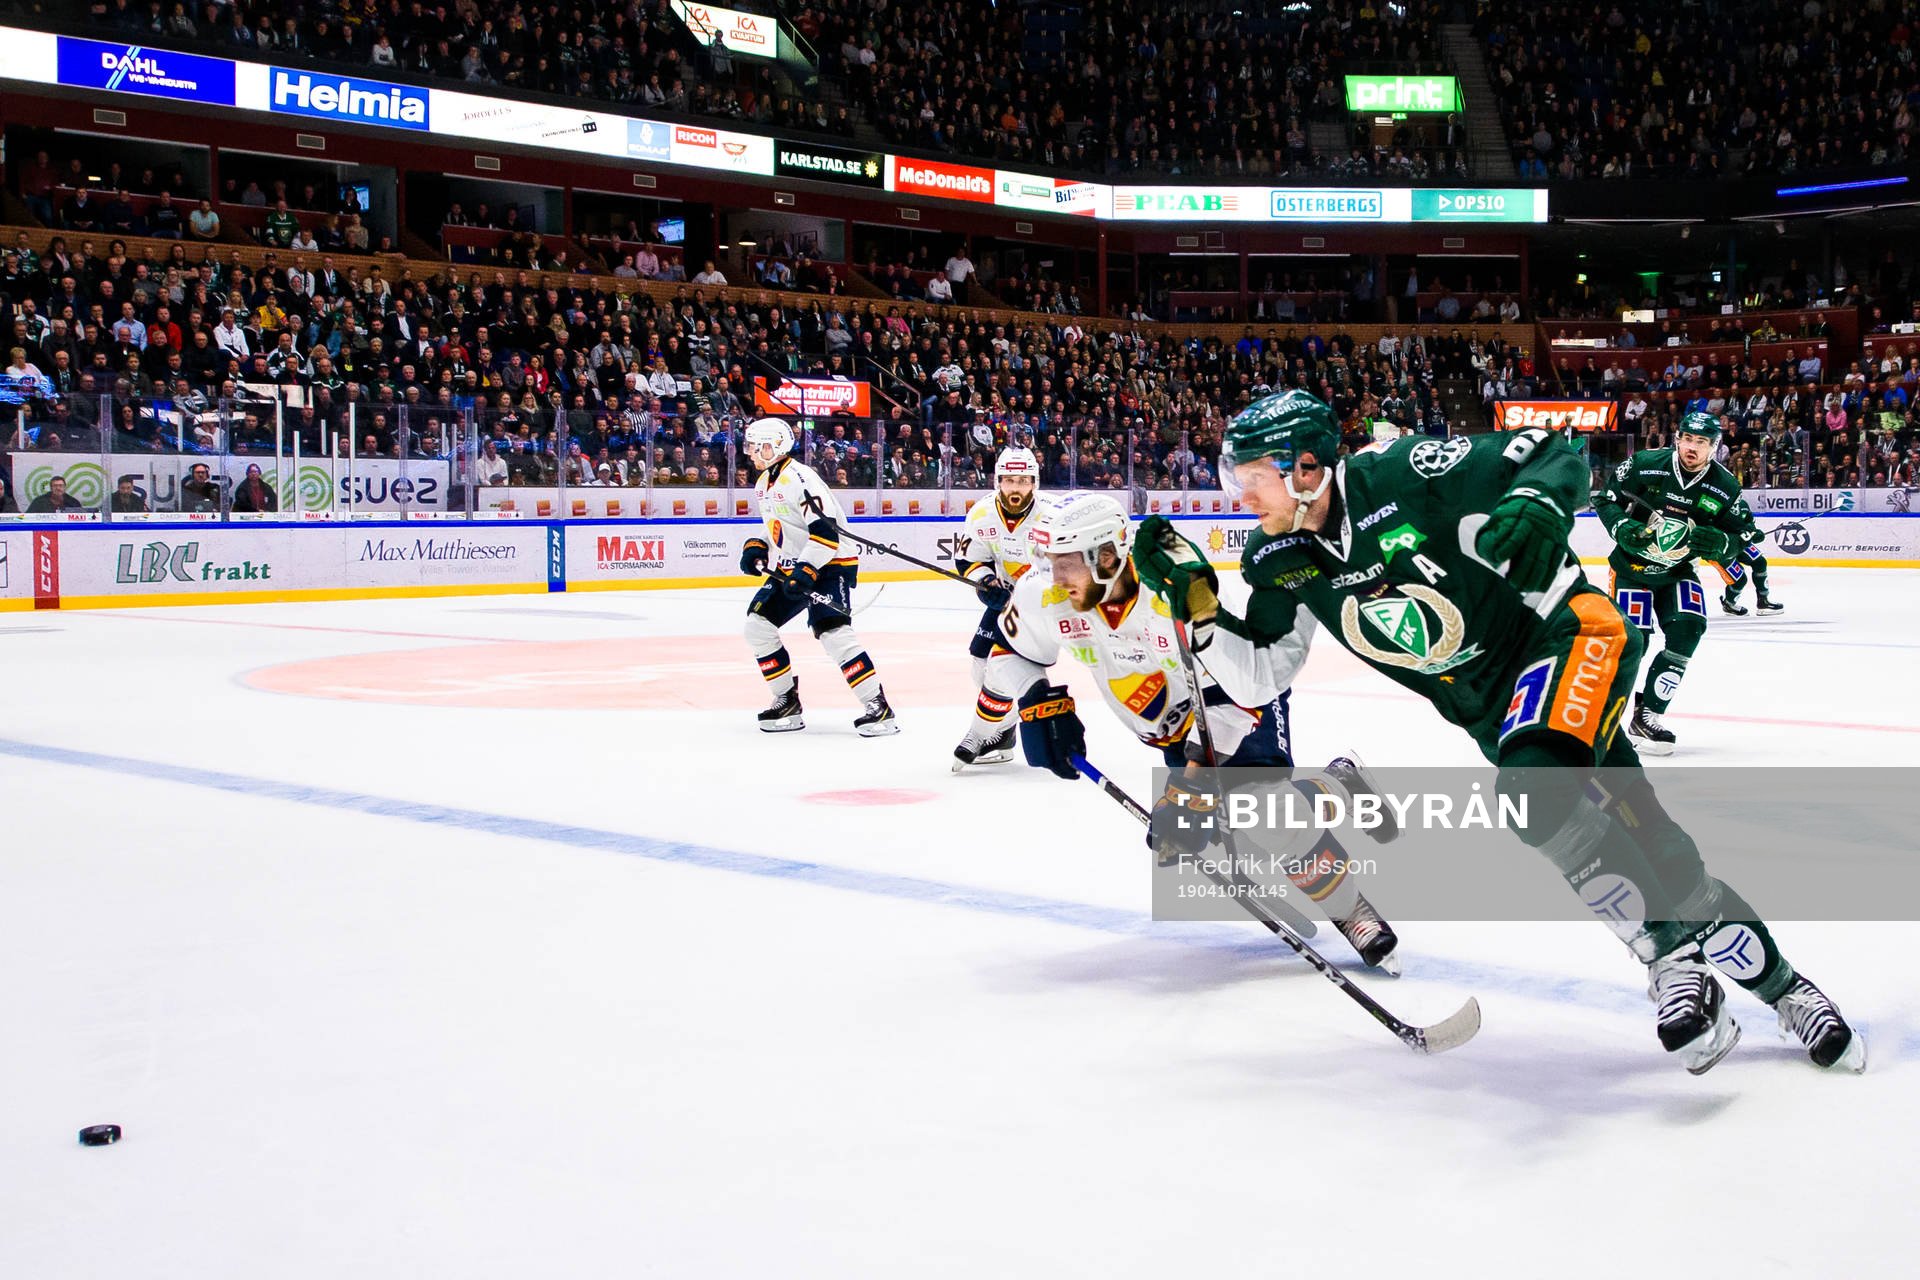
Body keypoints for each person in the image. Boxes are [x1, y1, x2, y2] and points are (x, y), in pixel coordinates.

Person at [1130, 389, 1862, 1074]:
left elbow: (1551, 449)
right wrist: (1200, 615)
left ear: (1308, 470)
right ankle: (1789, 989)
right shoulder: (1276, 558)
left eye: (1251, 476)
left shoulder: (1398, 473)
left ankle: (1670, 961)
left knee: (1535, 794)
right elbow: (1260, 676)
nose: (1238, 494)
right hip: (1500, 712)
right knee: (1651, 840)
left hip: (1567, 637)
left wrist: (1541, 505)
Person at [960, 491, 1403, 970]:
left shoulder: (1182, 593)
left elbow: (1238, 695)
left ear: (1107, 556)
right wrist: (1037, 698)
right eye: (1050, 561)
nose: (1054, 576)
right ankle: (1340, 782)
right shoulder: (1045, 594)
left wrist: (1189, 789)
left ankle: (1353, 911)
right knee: (1224, 820)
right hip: (1171, 726)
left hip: (1241, 698)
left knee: (1264, 815)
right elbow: (1008, 652)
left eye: (1066, 563)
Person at [1594, 412, 1746, 754]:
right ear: (1677, 438)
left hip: (1679, 572)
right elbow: (1604, 499)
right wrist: (1621, 528)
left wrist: (1723, 544)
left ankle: (1647, 715)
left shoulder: (1725, 486)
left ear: (1714, 447)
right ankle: (1602, 717)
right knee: (1635, 642)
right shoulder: (1645, 463)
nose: (1692, 447)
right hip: (1632, 569)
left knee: (1689, 629)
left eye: (1701, 442)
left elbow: (1744, 533)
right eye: (1688, 439)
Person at [738, 417, 897, 735]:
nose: (749, 452)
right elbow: (778, 525)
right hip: (795, 563)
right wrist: (757, 546)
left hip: (832, 562)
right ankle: (786, 700)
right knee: (758, 625)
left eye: (755, 446)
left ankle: (878, 708)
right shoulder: (764, 482)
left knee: (832, 630)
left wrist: (807, 571)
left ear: (772, 447)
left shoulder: (800, 478)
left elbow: (826, 534)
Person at [949, 446, 1049, 769]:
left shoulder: (1052, 516)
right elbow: (969, 559)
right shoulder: (981, 514)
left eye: (1023, 480)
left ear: (1034, 482)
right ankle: (1003, 731)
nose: (1016, 487)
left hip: (1042, 604)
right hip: (1006, 597)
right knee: (979, 657)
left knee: (1004, 665)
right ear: (998, 481)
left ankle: (982, 732)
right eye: (1009, 480)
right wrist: (986, 583)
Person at [1716, 497, 1783, 616]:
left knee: (1760, 562)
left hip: (1740, 542)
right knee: (1740, 580)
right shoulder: (1715, 504)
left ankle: (1763, 601)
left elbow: (1749, 522)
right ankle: (1729, 604)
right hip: (1720, 549)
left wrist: (1754, 532)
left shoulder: (1742, 504)